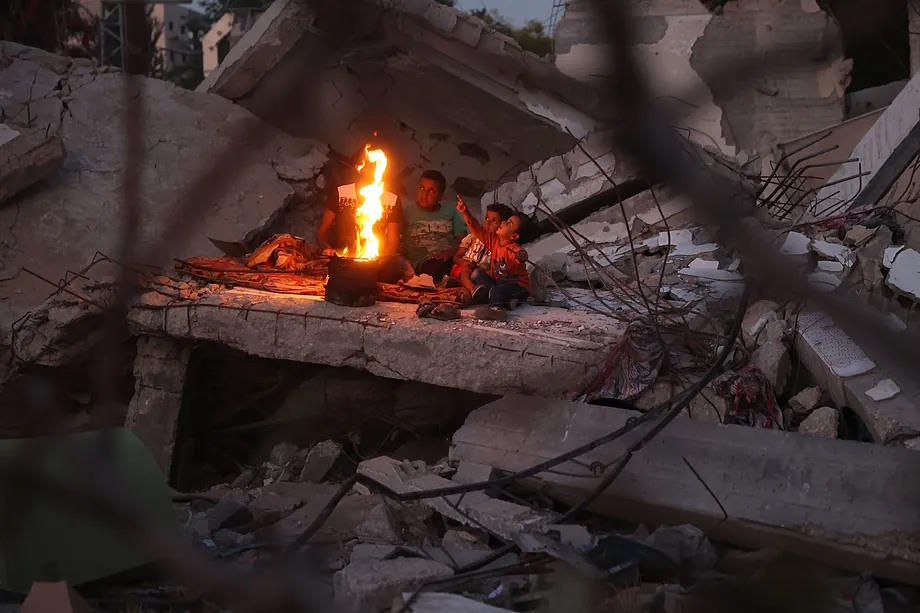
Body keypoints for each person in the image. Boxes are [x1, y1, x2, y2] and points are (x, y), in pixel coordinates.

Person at [456, 196, 531, 308]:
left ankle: (496, 309)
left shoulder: (513, 248)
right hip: (499, 283)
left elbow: (520, 255)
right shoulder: (494, 241)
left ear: (514, 236)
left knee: (498, 292)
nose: (504, 222)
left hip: (518, 287)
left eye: (509, 223)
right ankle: (505, 300)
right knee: (477, 274)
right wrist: (465, 212)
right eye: (506, 220)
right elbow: (476, 228)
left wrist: (521, 256)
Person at [402, 170, 467, 281]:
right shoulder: (406, 210)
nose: (424, 194)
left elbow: (464, 241)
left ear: (441, 196)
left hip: (450, 257)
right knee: (432, 269)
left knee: (468, 266)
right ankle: (451, 278)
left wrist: (450, 253)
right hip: (423, 263)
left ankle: (459, 277)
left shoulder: (452, 211)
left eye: (431, 191)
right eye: (421, 188)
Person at [447, 203, 513, 293]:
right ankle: (471, 289)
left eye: (494, 221)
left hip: (480, 274)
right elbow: (457, 256)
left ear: (502, 226)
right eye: (486, 218)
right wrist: (464, 263)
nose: (487, 222)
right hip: (463, 268)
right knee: (466, 271)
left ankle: (465, 288)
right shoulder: (473, 236)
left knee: (477, 274)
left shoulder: (498, 245)